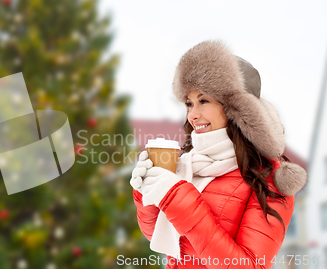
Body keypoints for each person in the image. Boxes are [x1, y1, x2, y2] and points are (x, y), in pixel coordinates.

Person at [130, 40, 307, 269]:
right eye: (188, 103)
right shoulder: (188, 163)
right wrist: (146, 194)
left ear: (236, 107)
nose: (193, 115)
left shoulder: (269, 177)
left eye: (203, 100)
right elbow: (156, 235)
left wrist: (175, 196)